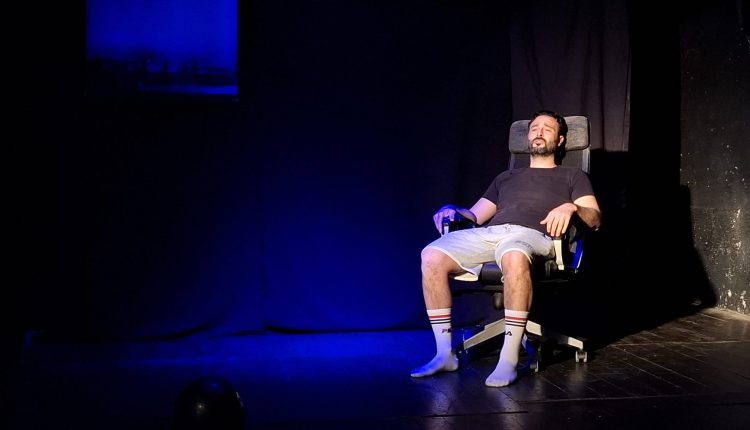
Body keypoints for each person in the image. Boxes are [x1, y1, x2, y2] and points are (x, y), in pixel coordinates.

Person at [410, 110, 602, 387]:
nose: (538, 132)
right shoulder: (505, 178)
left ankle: (508, 358)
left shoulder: (572, 175)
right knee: (431, 255)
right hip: (491, 233)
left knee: (514, 254)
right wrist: (453, 209)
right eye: (534, 128)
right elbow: (474, 216)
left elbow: (594, 220)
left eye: (547, 128)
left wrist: (571, 206)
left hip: (534, 235)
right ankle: (444, 354)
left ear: (560, 140)